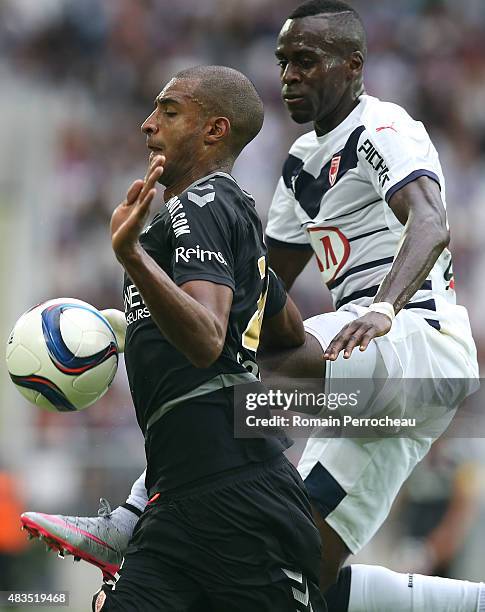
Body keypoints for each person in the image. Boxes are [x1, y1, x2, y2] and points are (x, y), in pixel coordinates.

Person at [22, 1, 485, 611]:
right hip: (379, 399)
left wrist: (386, 308)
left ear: (354, 65)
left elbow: (430, 222)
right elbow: (256, 289)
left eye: (306, 61)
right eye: (283, 62)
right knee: (297, 566)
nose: (289, 75)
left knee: (234, 378)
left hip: (416, 344)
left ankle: (135, 512)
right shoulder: (299, 167)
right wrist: (134, 319)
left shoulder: (383, 126)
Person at [23, 64, 328, 612]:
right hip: (177, 502)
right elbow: (289, 333)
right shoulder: (227, 218)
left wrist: (132, 256)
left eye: (168, 111)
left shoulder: (201, 204)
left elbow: (209, 339)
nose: (147, 125)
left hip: (239, 501)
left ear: (214, 130)